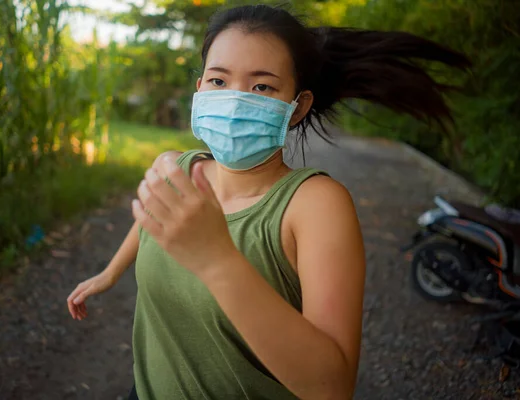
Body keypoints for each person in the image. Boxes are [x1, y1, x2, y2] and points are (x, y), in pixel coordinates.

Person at [67, 4, 471, 399]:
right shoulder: (174, 168)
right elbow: (153, 219)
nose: (235, 101)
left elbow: (332, 388)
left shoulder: (315, 205)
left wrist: (216, 259)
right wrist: (111, 271)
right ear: (200, 88)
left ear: (298, 106)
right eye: (219, 81)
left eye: (262, 86)